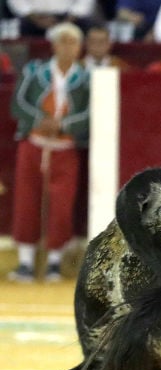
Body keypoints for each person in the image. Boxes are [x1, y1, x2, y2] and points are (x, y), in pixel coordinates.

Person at [7, 22, 89, 283]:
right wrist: (40, 121)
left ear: (79, 47)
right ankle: (25, 262)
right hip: (34, 143)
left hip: (65, 148)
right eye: (63, 41)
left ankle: (54, 261)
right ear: (53, 45)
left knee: (62, 206)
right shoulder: (34, 71)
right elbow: (18, 102)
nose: (68, 47)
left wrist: (63, 125)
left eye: (73, 42)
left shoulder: (87, 78)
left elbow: (91, 113)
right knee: (25, 202)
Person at [6, 0, 100, 38]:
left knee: (87, 27)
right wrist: (34, 17)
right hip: (34, 18)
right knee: (25, 26)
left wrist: (69, 19)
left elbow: (85, 2)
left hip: (69, 17)